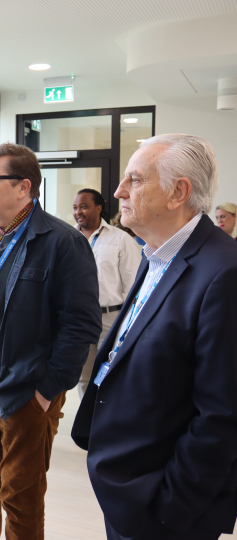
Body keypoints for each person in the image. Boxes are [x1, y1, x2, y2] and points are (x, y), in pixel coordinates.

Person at [72, 134, 237, 540]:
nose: (118, 191)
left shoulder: (223, 273)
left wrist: (168, 509)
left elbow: (222, 417)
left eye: (135, 179)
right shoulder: (157, 252)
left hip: (164, 508)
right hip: (128, 487)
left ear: (178, 192)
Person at [0, 143, 101, 540]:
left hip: (24, 396)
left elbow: (81, 325)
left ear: (23, 187)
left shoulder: (64, 243)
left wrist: (46, 392)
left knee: (21, 500)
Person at [72, 189, 141, 399]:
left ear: (99, 208)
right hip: (78, 318)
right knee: (83, 376)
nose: (78, 212)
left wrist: (129, 321)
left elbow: (133, 285)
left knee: (110, 372)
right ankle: (88, 424)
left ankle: (108, 419)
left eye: (84, 206)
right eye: (75, 207)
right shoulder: (67, 239)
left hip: (111, 318)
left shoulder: (121, 239)